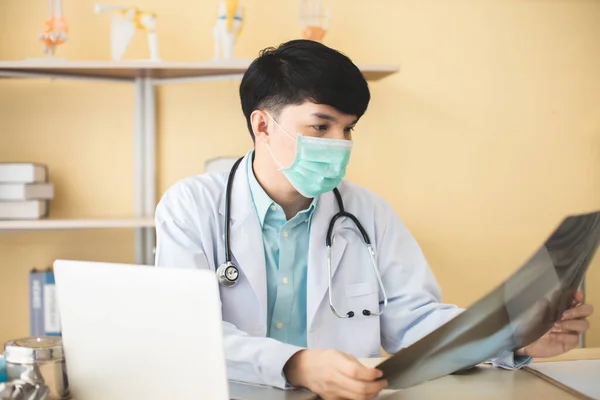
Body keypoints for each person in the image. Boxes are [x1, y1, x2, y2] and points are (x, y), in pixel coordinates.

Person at [154, 39, 594, 400]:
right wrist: (296, 364)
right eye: (321, 127)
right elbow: (188, 331)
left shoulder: (367, 213)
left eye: (349, 128)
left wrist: (514, 338)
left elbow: (414, 322)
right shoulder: (191, 206)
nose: (340, 143)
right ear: (263, 125)